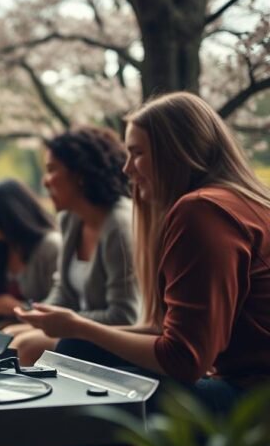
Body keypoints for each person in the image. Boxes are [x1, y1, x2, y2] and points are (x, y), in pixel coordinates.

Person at [14, 92, 270, 414]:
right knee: (77, 349)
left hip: (252, 403)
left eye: (137, 154)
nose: (126, 169)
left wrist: (79, 327)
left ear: (174, 153)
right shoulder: (233, 202)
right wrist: (74, 329)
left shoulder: (202, 211)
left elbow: (184, 360)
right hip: (240, 387)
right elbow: (164, 330)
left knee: (86, 367)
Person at [7, 126, 139, 360]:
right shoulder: (70, 218)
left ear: (80, 174)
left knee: (24, 347)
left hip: (119, 338)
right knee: (8, 336)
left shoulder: (119, 225)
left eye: (51, 170)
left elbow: (125, 315)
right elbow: (64, 292)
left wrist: (67, 323)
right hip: (82, 330)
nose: (45, 182)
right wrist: (40, 315)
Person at [0, 179, 61, 328]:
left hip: (33, 333)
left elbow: (61, 304)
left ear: (9, 213)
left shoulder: (50, 246)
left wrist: (19, 308)